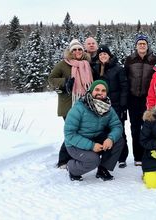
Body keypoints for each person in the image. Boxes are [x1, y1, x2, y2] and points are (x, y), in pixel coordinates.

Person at [64, 80, 124, 181]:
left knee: (118, 141)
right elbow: (69, 134)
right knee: (93, 160)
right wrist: (91, 146)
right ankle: (72, 168)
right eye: (97, 89)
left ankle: (102, 169)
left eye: (103, 90)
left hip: (95, 138)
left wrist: (110, 139)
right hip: (75, 144)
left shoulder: (108, 108)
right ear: (91, 91)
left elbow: (117, 126)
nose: (100, 93)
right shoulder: (79, 108)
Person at [48, 39, 93, 168]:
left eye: (79, 49)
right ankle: (63, 160)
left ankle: (74, 157)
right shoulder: (63, 64)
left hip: (84, 105)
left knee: (79, 132)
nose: (77, 52)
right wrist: (65, 82)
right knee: (71, 132)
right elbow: (51, 79)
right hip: (68, 104)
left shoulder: (86, 64)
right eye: (74, 50)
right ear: (70, 51)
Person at [92, 45, 129, 168]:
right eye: (100, 54)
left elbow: (124, 86)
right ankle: (108, 155)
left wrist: (124, 105)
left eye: (105, 54)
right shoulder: (96, 68)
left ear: (109, 55)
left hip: (116, 105)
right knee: (104, 131)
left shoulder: (118, 68)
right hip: (101, 105)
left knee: (119, 130)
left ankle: (122, 157)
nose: (103, 56)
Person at [125, 34, 156, 166]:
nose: (142, 45)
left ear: (147, 45)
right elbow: (125, 78)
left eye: (144, 43)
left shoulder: (154, 59)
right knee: (134, 128)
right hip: (133, 98)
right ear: (136, 45)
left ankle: (147, 153)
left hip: (148, 99)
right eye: (139, 43)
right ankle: (137, 156)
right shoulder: (130, 59)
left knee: (148, 127)